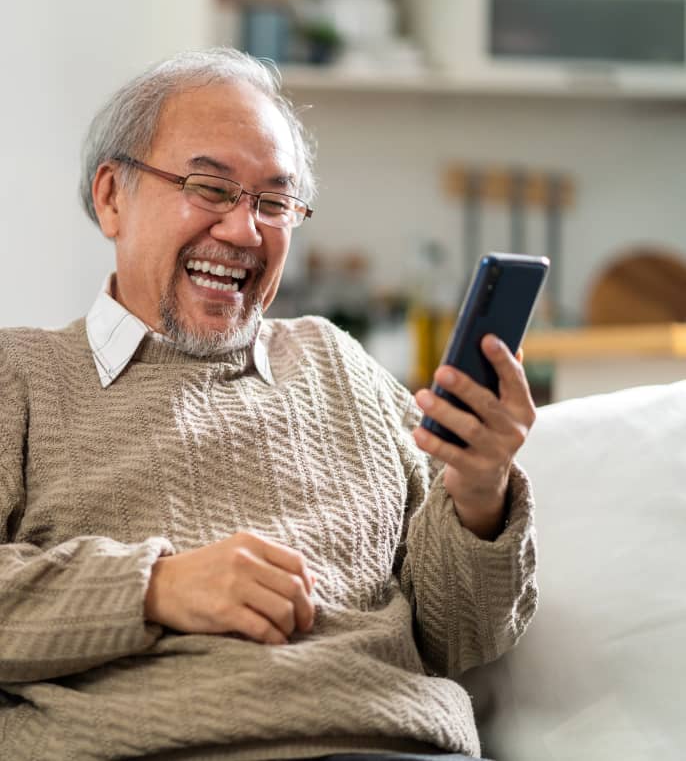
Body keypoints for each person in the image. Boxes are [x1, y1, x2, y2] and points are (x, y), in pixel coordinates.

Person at [0, 48, 538, 761]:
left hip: (399, 747)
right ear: (111, 196)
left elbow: (459, 640)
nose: (244, 231)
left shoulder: (339, 364)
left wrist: (480, 494)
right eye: (210, 187)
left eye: (274, 202)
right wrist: (154, 587)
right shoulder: (20, 374)